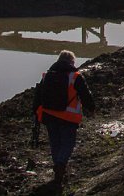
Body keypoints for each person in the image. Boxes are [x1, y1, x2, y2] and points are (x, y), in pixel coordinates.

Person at [33, 50, 95, 186]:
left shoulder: (47, 75)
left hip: (49, 116)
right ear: (72, 62)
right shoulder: (75, 76)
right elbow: (85, 95)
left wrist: (36, 115)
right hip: (68, 117)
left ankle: (58, 168)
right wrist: (91, 108)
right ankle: (61, 164)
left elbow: (38, 96)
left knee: (55, 143)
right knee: (68, 143)